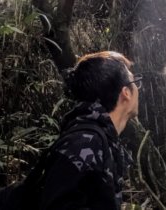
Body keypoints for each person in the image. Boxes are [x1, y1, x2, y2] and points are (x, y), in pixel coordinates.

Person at [39, 50, 141, 209]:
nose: (138, 89)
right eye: (135, 82)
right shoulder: (83, 144)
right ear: (126, 93)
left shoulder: (99, 139)